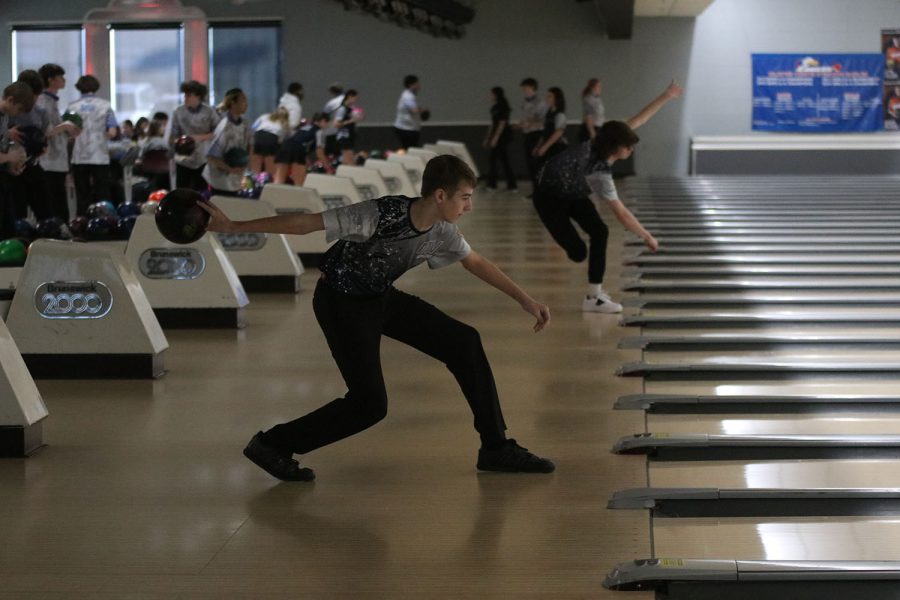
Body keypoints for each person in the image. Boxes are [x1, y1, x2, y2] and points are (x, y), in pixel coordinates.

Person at [199, 154, 555, 480]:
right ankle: (273, 444)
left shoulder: (442, 230)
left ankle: (495, 447)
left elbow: (474, 261)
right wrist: (232, 227)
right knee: (369, 405)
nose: (469, 206)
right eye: (465, 197)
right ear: (441, 195)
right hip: (340, 302)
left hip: (380, 297)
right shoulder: (378, 215)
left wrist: (525, 300)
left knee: (464, 341)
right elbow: (306, 223)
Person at [533, 80, 683, 313]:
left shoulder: (605, 139)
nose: (631, 150)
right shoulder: (598, 171)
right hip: (548, 198)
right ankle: (566, 240)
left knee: (600, 231)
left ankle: (594, 297)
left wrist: (666, 95)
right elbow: (621, 213)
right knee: (578, 253)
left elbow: (640, 118)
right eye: (628, 147)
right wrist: (646, 236)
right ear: (615, 148)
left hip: (573, 192)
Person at [66, 75, 118, 215]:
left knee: (82, 193)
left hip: (79, 155)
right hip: (99, 154)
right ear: (95, 87)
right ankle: (106, 219)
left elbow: (66, 132)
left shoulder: (72, 107)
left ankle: (82, 221)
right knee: (103, 191)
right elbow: (112, 131)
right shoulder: (105, 105)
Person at [8, 70, 53, 221]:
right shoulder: (8, 111)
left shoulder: (41, 112)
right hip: (11, 166)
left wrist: (42, 145)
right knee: (16, 210)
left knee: (44, 207)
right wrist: (8, 133)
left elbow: (44, 135)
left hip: (32, 163)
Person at [37, 63, 80, 221]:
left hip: (57, 160)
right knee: (54, 200)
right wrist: (66, 126)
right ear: (51, 80)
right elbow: (47, 130)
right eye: (61, 77)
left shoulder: (52, 101)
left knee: (59, 198)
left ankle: (62, 227)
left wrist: (67, 132)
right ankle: (56, 229)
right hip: (48, 160)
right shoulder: (43, 101)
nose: (64, 80)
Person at [170, 80, 220, 191]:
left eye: (189, 95)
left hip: (203, 157)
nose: (186, 98)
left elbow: (217, 133)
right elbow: (173, 135)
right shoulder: (178, 112)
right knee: (182, 191)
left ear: (198, 96)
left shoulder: (210, 112)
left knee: (201, 191)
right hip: (183, 159)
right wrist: (180, 142)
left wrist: (198, 137)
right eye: (185, 95)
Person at [0, 82, 35, 238]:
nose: (18, 114)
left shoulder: (5, 117)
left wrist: (10, 164)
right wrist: (10, 157)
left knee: (8, 224)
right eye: (19, 109)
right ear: (10, 99)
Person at [203, 88, 251, 197]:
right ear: (233, 103)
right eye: (243, 100)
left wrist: (244, 165)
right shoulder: (224, 127)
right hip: (220, 180)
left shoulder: (245, 124)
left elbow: (248, 146)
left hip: (234, 178)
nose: (246, 103)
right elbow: (212, 156)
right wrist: (231, 169)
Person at [273, 112, 329, 185]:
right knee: (299, 182)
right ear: (323, 121)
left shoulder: (303, 127)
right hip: (298, 149)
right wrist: (328, 167)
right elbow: (319, 153)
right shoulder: (319, 131)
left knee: (279, 179)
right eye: (327, 122)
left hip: (285, 146)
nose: (327, 125)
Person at [483, 86, 516, 191]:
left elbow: (502, 123)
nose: (490, 96)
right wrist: (487, 138)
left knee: (495, 159)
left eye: (491, 94)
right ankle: (511, 185)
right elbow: (493, 124)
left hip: (503, 137)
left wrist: (495, 138)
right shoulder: (494, 108)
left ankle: (493, 184)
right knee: (501, 160)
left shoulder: (503, 107)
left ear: (496, 94)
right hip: (496, 136)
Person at [518, 77, 546, 194]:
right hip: (527, 134)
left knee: (537, 164)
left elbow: (543, 121)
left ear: (533, 88)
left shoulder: (540, 102)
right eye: (523, 89)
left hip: (537, 134)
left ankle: (541, 191)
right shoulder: (525, 102)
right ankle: (536, 191)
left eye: (526, 88)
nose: (524, 90)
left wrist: (529, 123)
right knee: (530, 164)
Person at [532, 86, 567, 167]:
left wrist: (545, 147)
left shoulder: (560, 114)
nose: (547, 98)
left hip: (557, 147)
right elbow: (545, 132)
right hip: (549, 146)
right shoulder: (549, 113)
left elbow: (558, 132)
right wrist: (538, 146)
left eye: (550, 96)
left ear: (556, 98)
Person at [251, 106, 290, 175]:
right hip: (271, 139)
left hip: (258, 136)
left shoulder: (264, 116)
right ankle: (268, 182)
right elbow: (281, 141)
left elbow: (253, 127)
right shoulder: (284, 124)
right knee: (270, 169)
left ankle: (253, 182)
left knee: (255, 169)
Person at [393, 74, 428, 149]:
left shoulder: (409, 95)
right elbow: (414, 110)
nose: (419, 86)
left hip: (408, 128)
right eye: (417, 84)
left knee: (411, 149)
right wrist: (423, 110)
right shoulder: (408, 96)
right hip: (406, 130)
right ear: (411, 85)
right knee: (411, 150)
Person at [333, 89, 362, 167]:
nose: (356, 100)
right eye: (355, 98)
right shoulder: (342, 109)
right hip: (344, 137)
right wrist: (351, 120)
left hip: (350, 136)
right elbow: (336, 124)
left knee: (347, 161)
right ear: (349, 96)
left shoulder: (351, 109)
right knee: (350, 162)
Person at [322, 83, 345, 157]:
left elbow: (325, 116)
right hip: (346, 129)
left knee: (330, 150)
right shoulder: (347, 100)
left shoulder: (331, 103)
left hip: (333, 130)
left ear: (332, 92)